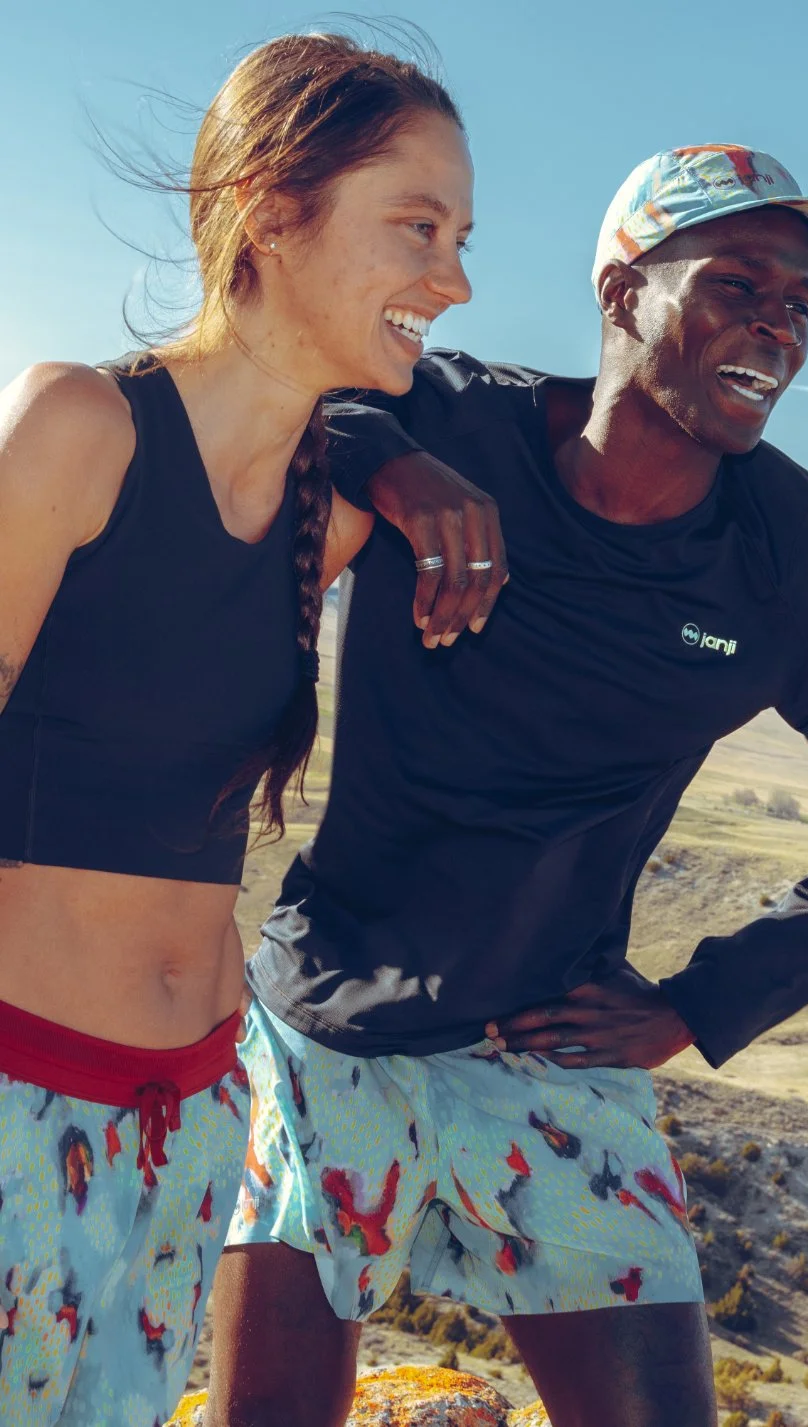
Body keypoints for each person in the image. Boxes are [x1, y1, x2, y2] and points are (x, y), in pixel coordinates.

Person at [209, 145, 808, 1427]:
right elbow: (285, 386)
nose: (779, 320)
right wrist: (387, 459)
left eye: (799, 302)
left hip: (552, 1052)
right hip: (324, 1021)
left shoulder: (784, 554)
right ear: (623, 296)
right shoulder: (450, 420)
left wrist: (696, 1005)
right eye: (737, 284)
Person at [0, 31, 506, 1426]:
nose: (453, 278)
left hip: (194, 1123)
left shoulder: (325, 517)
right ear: (269, 210)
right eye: (417, 225)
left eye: (460, 236)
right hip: (16, 1100)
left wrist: (390, 455)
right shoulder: (76, 426)